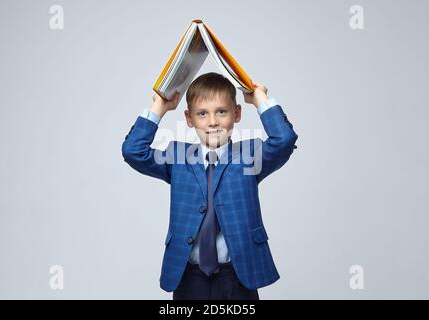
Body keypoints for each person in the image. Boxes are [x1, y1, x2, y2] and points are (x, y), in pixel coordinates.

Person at [122, 72, 298, 299]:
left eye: (221, 112)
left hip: (237, 276)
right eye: (202, 114)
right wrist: (159, 108)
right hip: (189, 277)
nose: (213, 121)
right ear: (189, 118)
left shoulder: (249, 156)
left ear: (237, 114)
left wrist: (260, 99)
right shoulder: (178, 157)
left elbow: (284, 140)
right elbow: (133, 151)